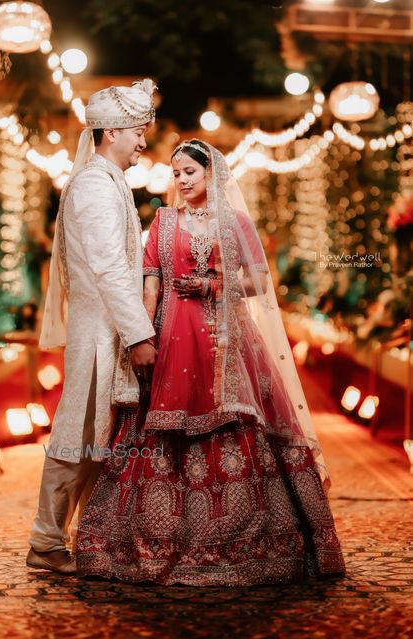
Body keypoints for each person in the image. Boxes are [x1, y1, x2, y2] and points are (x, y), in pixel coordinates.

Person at [77, 139, 345, 586]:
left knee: (235, 426)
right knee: (162, 431)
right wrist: (143, 338)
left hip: (226, 342)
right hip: (172, 339)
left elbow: (259, 281)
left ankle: (247, 545)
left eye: (190, 172)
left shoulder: (234, 221)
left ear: (210, 173)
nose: (181, 181)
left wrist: (214, 285)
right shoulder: (163, 222)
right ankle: (154, 541)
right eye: (176, 173)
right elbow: (151, 285)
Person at [27, 80, 158, 574]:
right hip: (99, 335)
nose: (142, 141)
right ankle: (45, 541)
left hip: (108, 331)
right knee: (77, 437)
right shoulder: (95, 186)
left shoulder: (108, 181)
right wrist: (139, 334)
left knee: (95, 441)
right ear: (110, 132)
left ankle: (87, 538)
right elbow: (109, 268)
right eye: (137, 131)